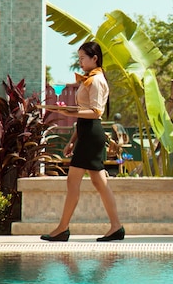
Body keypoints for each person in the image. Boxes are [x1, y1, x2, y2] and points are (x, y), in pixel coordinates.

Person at [41, 41, 125, 242]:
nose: (80, 62)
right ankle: (116, 226)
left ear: (94, 58)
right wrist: (72, 140)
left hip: (91, 134)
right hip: (86, 133)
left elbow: (95, 112)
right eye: (79, 58)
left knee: (74, 181)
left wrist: (67, 112)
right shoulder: (90, 80)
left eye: (82, 58)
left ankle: (63, 228)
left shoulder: (96, 81)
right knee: (99, 182)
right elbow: (84, 118)